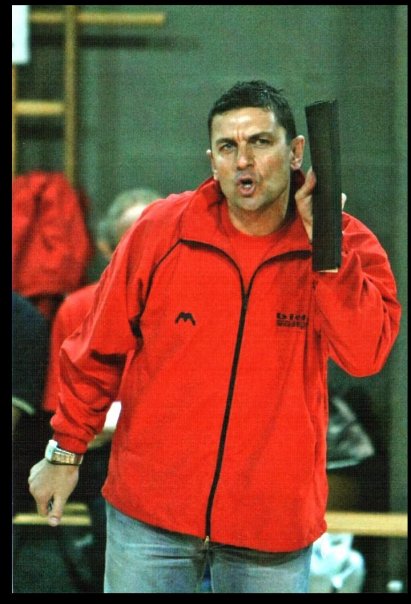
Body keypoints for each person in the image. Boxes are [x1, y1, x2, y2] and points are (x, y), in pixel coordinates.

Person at [28, 80, 401, 594]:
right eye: (228, 146)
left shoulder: (344, 242)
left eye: (260, 142)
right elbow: (96, 351)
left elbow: (365, 355)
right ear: (212, 160)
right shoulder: (162, 230)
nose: (243, 161)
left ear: (296, 152)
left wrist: (328, 255)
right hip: (150, 519)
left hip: (270, 529)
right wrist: (64, 453)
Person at [41, 187, 162, 591]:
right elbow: (64, 416)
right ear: (107, 248)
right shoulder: (78, 307)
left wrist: (113, 418)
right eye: (132, 240)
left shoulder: (191, 304)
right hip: (103, 463)